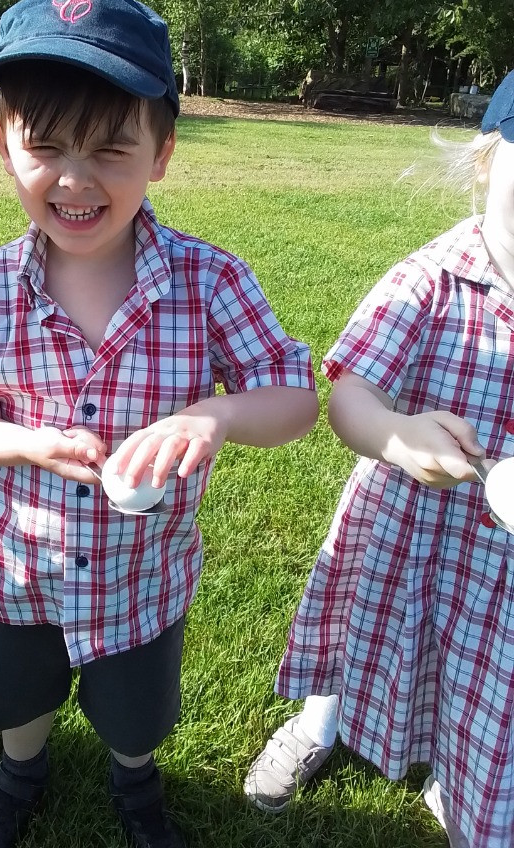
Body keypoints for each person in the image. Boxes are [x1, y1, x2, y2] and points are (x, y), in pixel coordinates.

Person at [0, 0, 319, 848]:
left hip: (141, 580)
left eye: (110, 150)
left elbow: (296, 397)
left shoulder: (208, 281)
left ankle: (134, 781)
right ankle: (20, 770)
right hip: (16, 570)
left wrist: (214, 417)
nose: (75, 178)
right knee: (3, 700)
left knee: (137, 721)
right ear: (2, 140)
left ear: (163, 150)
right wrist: (25, 442)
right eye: (48, 145)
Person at [243, 73, 514, 847]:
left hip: (502, 563)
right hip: (410, 528)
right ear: (488, 161)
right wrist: (395, 436)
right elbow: (350, 396)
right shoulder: (430, 280)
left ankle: (461, 774)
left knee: (482, 676)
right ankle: (317, 724)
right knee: (366, 632)